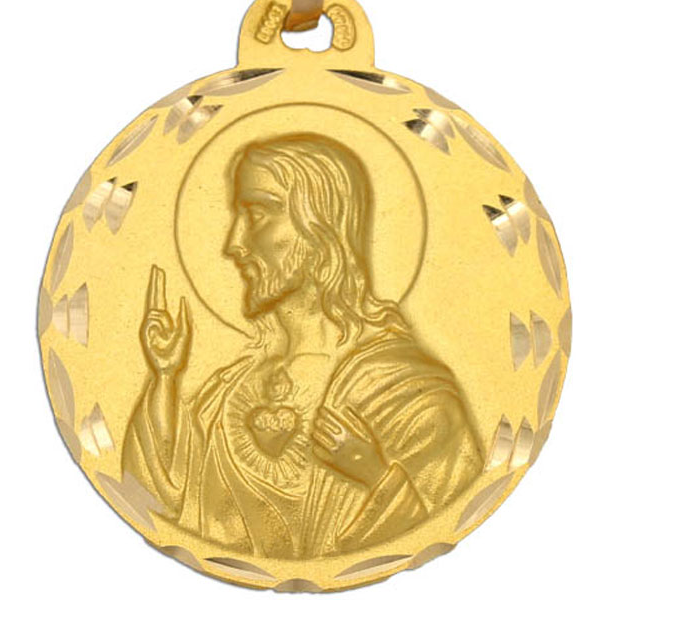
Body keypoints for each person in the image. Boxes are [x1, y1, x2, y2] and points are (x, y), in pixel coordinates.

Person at [122, 132, 482, 557]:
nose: (234, 244)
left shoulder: (409, 395)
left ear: (320, 226)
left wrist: (376, 475)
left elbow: (442, 519)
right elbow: (160, 502)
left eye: (257, 214)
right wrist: (165, 378)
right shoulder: (228, 388)